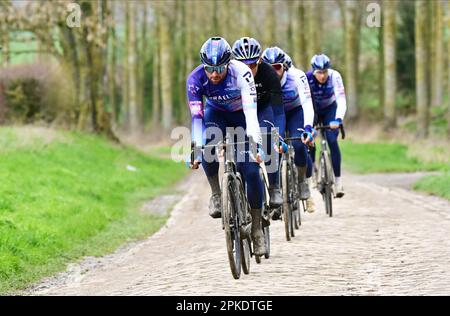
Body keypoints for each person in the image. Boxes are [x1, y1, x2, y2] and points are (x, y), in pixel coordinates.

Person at [186, 37, 266, 255]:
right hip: (216, 115)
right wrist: (196, 146)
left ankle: (257, 229)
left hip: (242, 115)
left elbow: (251, 113)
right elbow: (197, 118)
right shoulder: (195, 79)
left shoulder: (242, 73)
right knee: (206, 148)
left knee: (250, 171)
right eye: (210, 68)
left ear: (228, 63)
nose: (214, 74)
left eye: (219, 68)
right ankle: (216, 194)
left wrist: (256, 144)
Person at [231, 36, 286, 209]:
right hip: (240, 113)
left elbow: (278, 111)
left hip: (262, 110)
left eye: (253, 65)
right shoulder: (230, 76)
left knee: (268, 138)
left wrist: (279, 136)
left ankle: (274, 185)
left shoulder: (269, 74)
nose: (248, 69)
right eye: (243, 65)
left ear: (260, 61)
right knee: (241, 161)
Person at [261, 47, 316, 214]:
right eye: (269, 67)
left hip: (295, 111)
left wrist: (308, 127)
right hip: (274, 113)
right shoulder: (260, 79)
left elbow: (307, 103)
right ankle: (276, 190)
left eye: (276, 67)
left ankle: (301, 181)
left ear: (284, 66)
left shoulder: (296, 76)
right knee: (273, 150)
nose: (272, 71)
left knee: (299, 145)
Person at [306, 54, 347, 197]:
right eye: (319, 73)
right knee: (309, 140)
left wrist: (338, 119)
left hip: (330, 109)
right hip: (314, 110)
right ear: (313, 71)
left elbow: (341, 99)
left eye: (325, 72)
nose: (322, 76)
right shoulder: (307, 78)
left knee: (332, 140)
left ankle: (338, 181)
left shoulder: (335, 76)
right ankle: (311, 172)